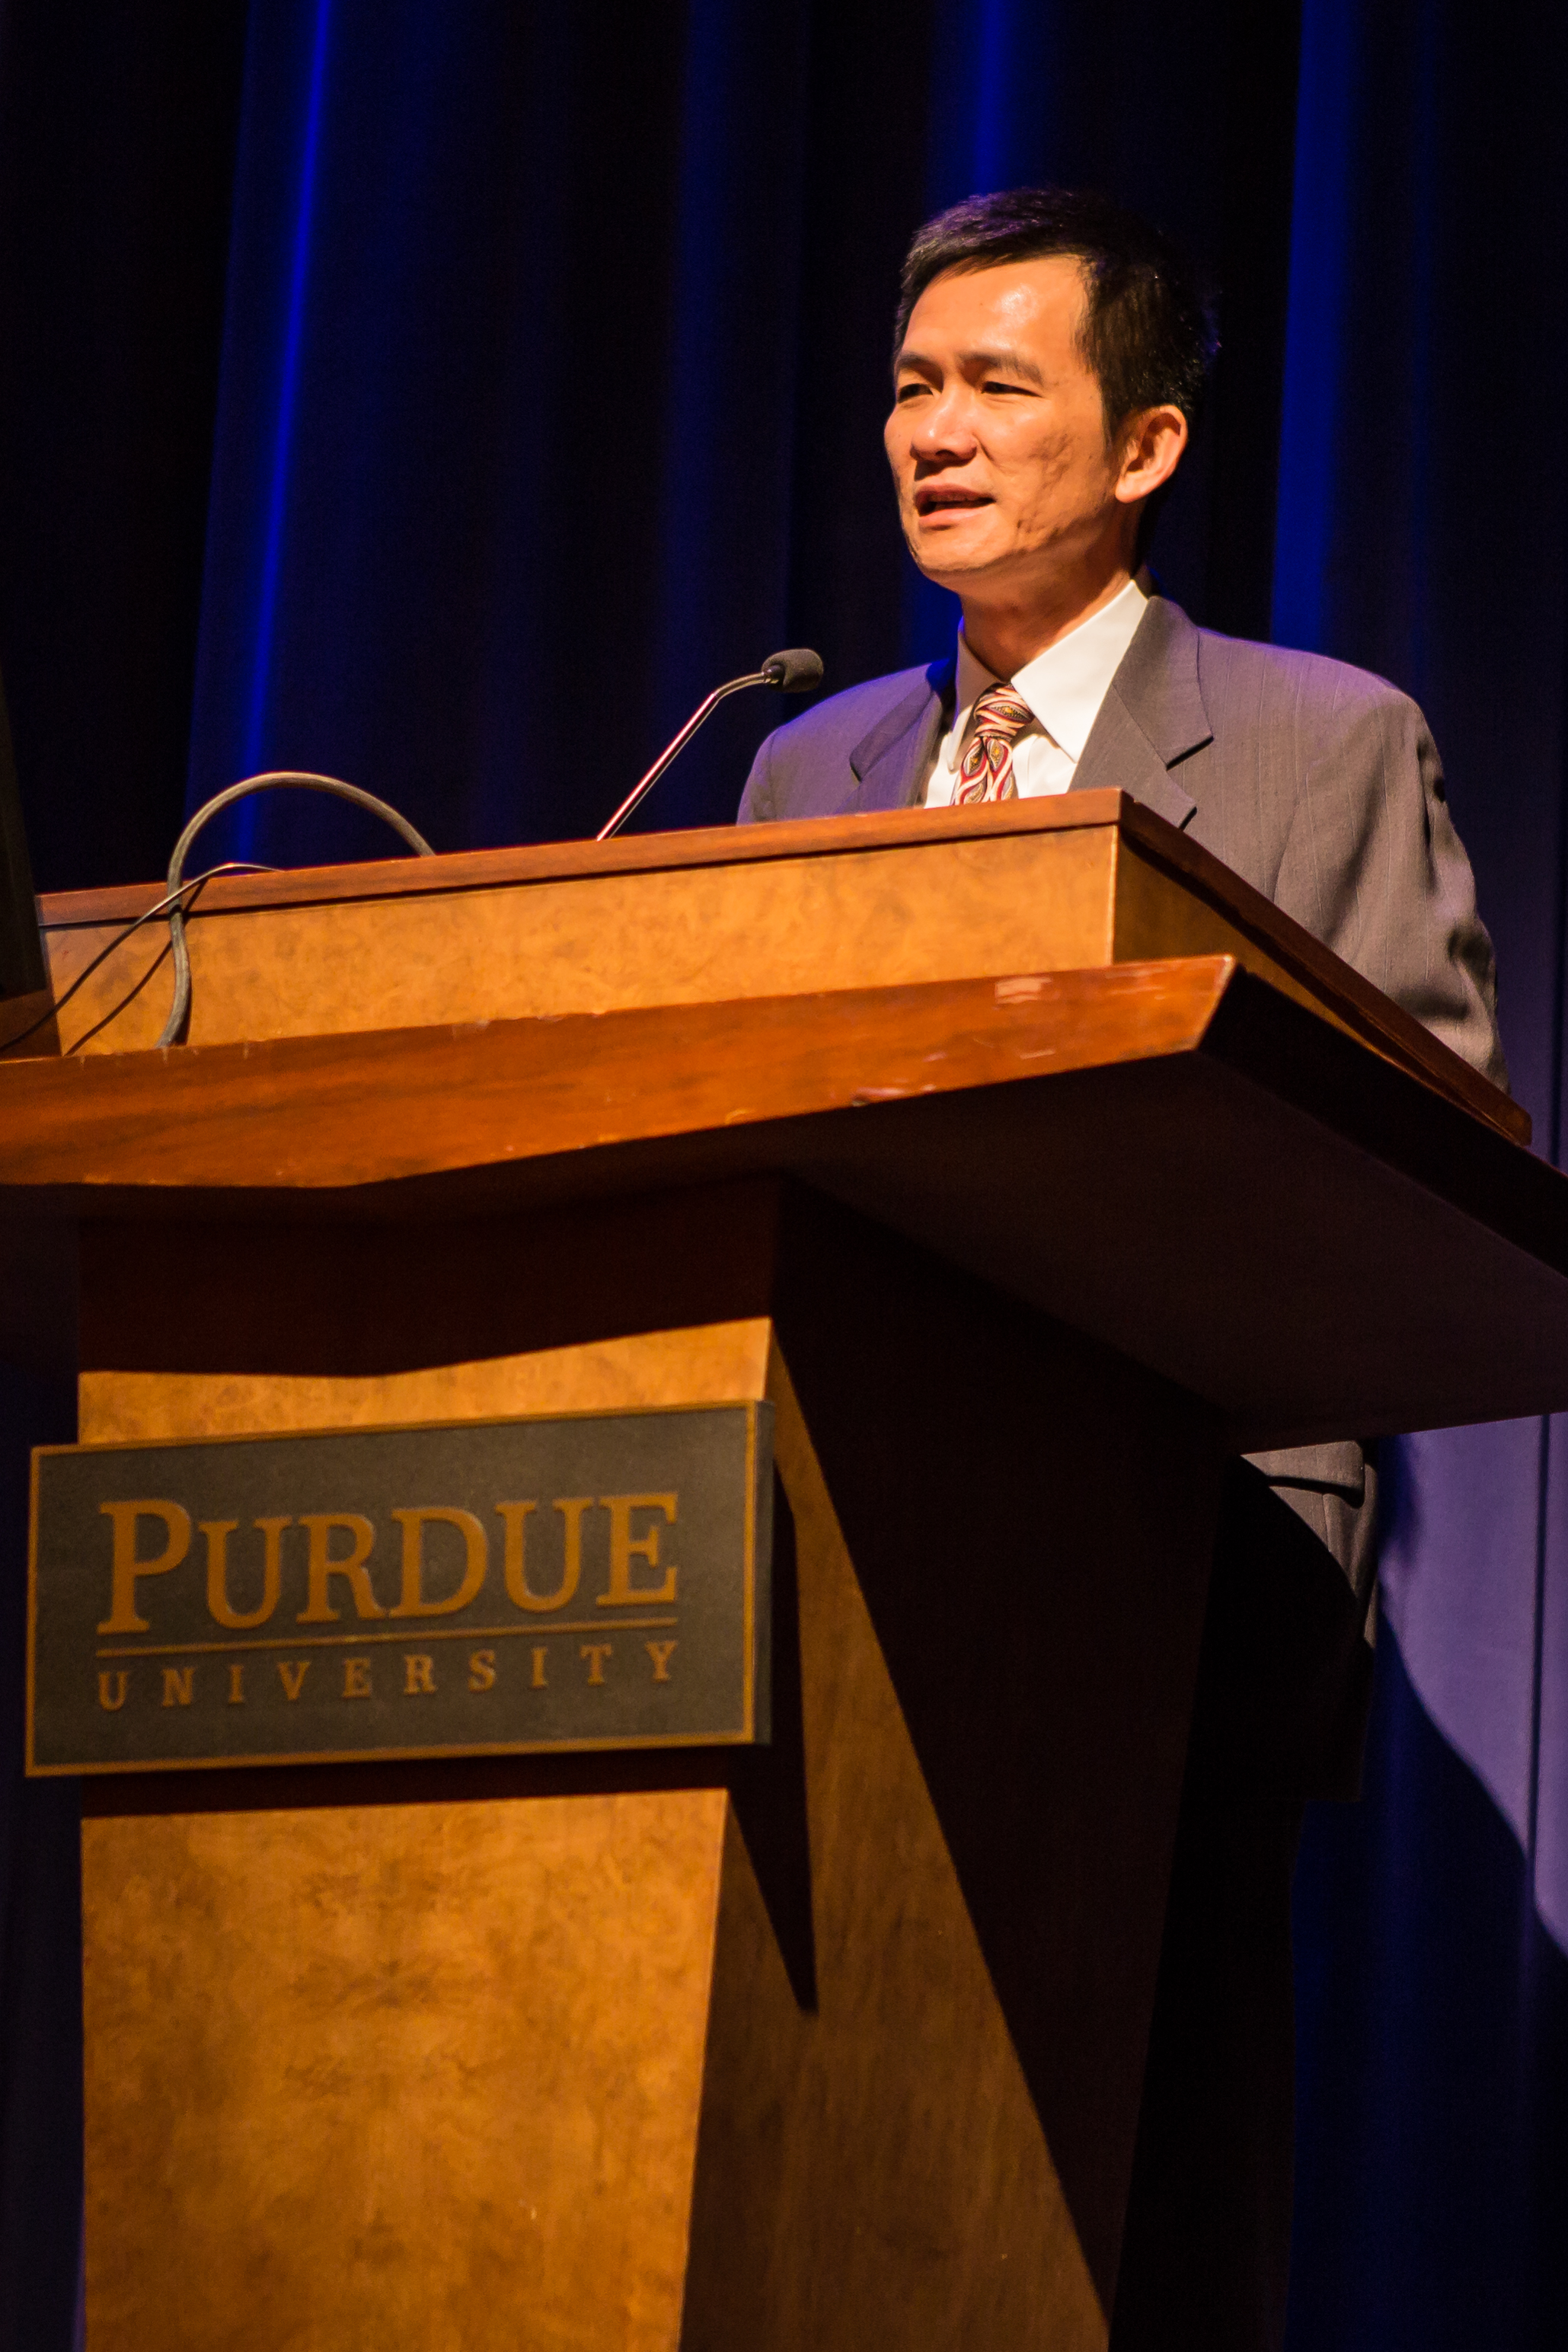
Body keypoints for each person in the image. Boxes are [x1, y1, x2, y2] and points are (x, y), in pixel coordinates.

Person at [736, 186, 1506, 2352]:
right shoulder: (807, 765)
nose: (934, 433)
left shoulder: (1316, 740)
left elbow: (1415, 1159)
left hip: (1179, 1558)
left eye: (998, 384)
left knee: (1146, 2174)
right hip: (829, 1538)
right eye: (908, 388)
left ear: (1144, 446)